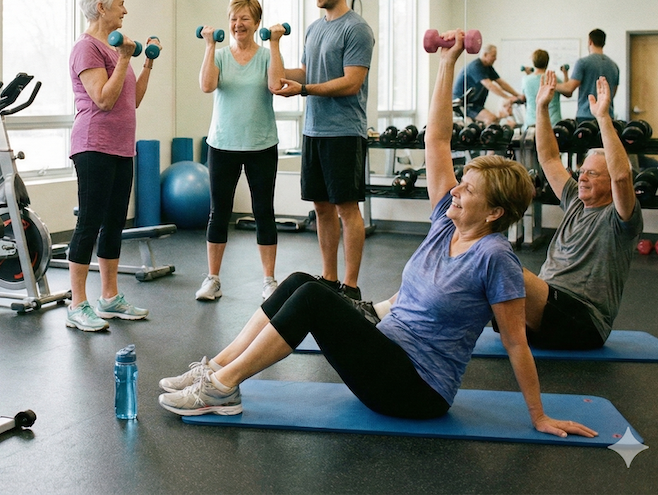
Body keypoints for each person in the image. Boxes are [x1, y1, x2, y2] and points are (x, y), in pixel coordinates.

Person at [158, 31, 595, 441]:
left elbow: (516, 341)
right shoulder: (449, 219)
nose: (456, 190)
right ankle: (214, 369)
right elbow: (438, 140)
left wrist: (539, 415)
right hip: (388, 346)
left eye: (469, 190)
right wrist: (447, 63)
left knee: (313, 301)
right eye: (461, 183)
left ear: (496, 211)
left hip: (416, 388)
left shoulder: (495, 257)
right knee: (301, 282)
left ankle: (222, 389)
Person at [272, 0, 373, 300]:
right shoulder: (315, 29)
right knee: (321, 207)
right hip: (314, 130)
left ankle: (351, 285)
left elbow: (350, 82)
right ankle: (329, 278)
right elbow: (307, 72)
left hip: (344, 131)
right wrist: (280, 74)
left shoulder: (356, 28)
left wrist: (304, 89)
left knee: (347, 208)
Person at [520, 72, 643, 349]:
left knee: (504, 268)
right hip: (546, 309)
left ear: (611, 181)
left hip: (583, 320)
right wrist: (541, 109)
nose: (582, 178)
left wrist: (603, 118)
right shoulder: (575, 199)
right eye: (581, 171)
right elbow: (549, 158)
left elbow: (623, 175)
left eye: (592, 174)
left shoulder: (620, 218)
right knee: (479, 271)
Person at [64, 0, 157, 332]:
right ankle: (77, 304)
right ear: (101, 7)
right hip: (93, 144)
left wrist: (145, 65)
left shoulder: (116, 50)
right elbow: (102, 99)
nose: (125, 10)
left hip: (120, 145)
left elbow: (130, 100)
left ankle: (109, 297)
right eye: (120, 3)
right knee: (89, 222)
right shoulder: (87, 48)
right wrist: (124, 58)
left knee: (115, 222)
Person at [195, 0, 286, 302]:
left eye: (245, 19)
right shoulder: (220, 55)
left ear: (257, 23)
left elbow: (276, 85)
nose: (238, 24)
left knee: (264, 212)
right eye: (234, 18)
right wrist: (209, 46)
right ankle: (212, 279)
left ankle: (269, 280)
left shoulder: (265, 56)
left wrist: (274, 44)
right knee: (218, 212)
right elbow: (206, 86)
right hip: (223, 144)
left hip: (261, 144)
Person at [553, 28, 619, 121]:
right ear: (603, 43)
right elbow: (612, 93)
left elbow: (568, 89)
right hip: (607, 117)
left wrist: (550, 85)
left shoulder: (583, 63)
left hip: (586, 117)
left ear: (590, 41)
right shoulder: (614, 66)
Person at [452, 44, 526, 125]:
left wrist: (517, 95)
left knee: (494, 120)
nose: (495, 58)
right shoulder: (476, 66)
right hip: (464, 104)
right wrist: (507, 97)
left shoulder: (488, 67)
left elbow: (501, 83)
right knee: (491, 119)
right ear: (485, 55)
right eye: (493, 56)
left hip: (475, 104)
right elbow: (490, 85)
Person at [521, 49, 562, 126]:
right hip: (552, 123)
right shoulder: (554, 78)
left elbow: (524, 97)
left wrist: (529, 74)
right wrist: (565, 74)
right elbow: (567, 91)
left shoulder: (525, 80)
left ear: (533, 62)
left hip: (532, 123)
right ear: (547, 62)